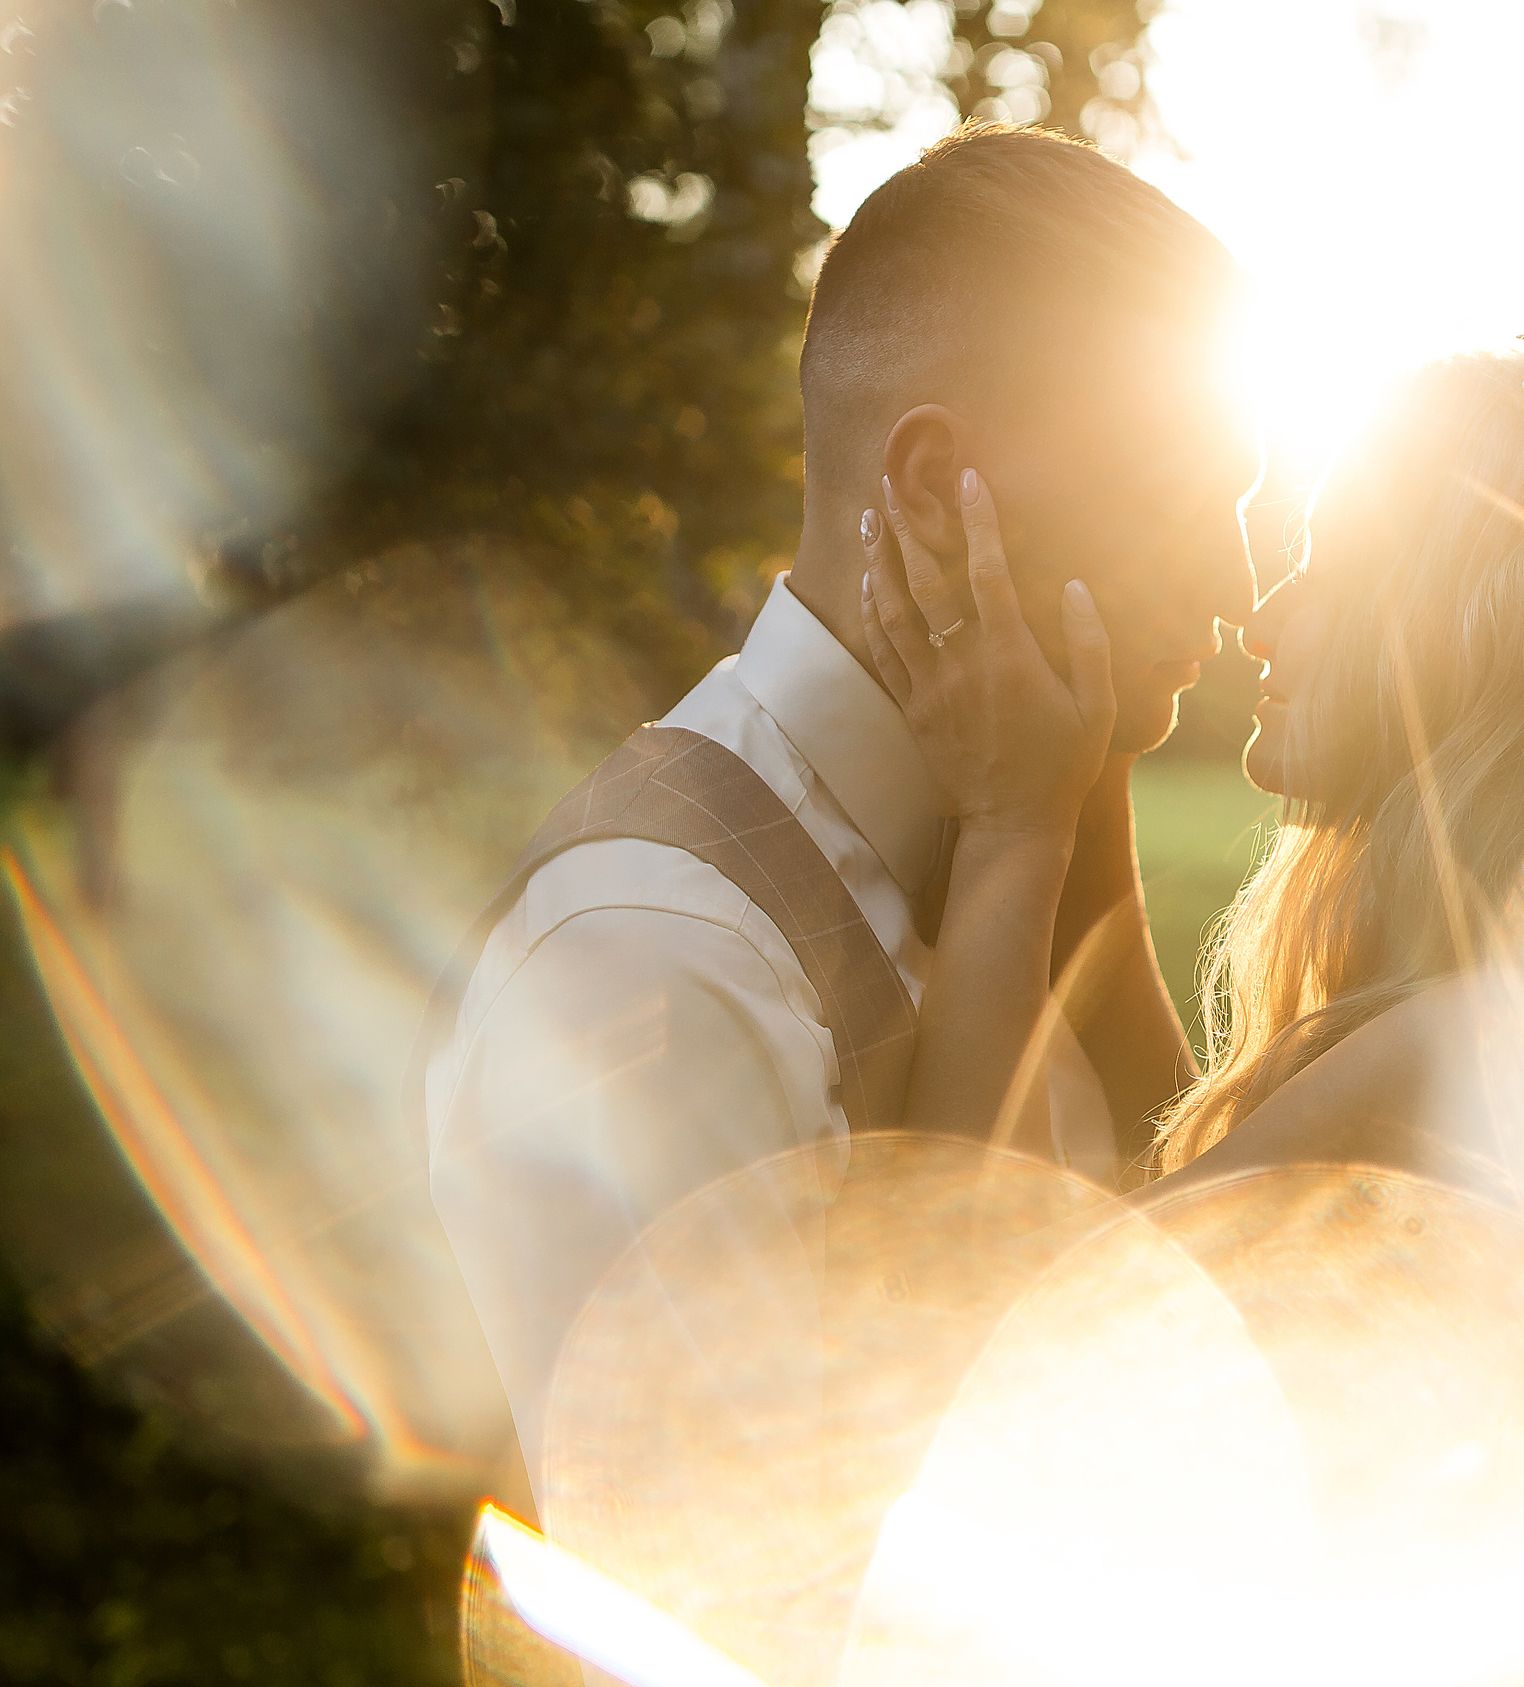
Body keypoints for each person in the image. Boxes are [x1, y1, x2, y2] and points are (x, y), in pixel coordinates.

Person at [416, 122, 1259, 1495]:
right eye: (1177, 496)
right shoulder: (649, 956)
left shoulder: (1039, 813)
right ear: (936, 489)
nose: (1233, 581)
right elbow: (774, 1576)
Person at [867, 311, 1524, 1371]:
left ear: (1470, 638)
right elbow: (1204, 1157)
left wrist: (1014, 825)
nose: (1263, 615)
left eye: (1327, 569)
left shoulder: (1452, 1046)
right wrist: (1094, 772)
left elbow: (995, 1332)